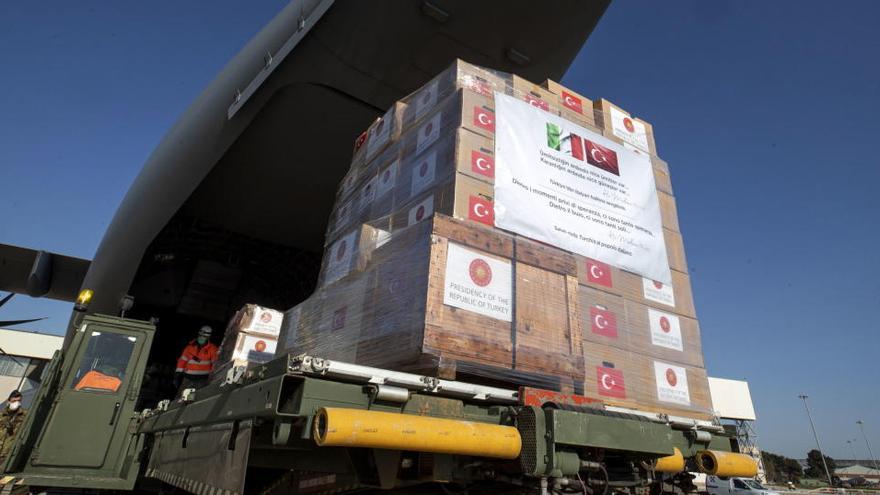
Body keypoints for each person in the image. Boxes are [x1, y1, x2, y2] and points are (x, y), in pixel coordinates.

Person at [174, 325, 219, 393]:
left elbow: (215, 364)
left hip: (201, 380)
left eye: (204, 336)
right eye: (200, 335)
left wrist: (212, 377)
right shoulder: (189, 347)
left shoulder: (213, 349)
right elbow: (182, 361)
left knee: (197, 399)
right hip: (187, 379)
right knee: (181, 397)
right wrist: (177, 375)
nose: (201, 338)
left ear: (208, 337)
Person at [0, 390, 26, 467]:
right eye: (14, 400)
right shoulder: (1, 415)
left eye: (19, 401)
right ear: (9, 400)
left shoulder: (24, 415)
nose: (16, 402)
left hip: (9, 454)